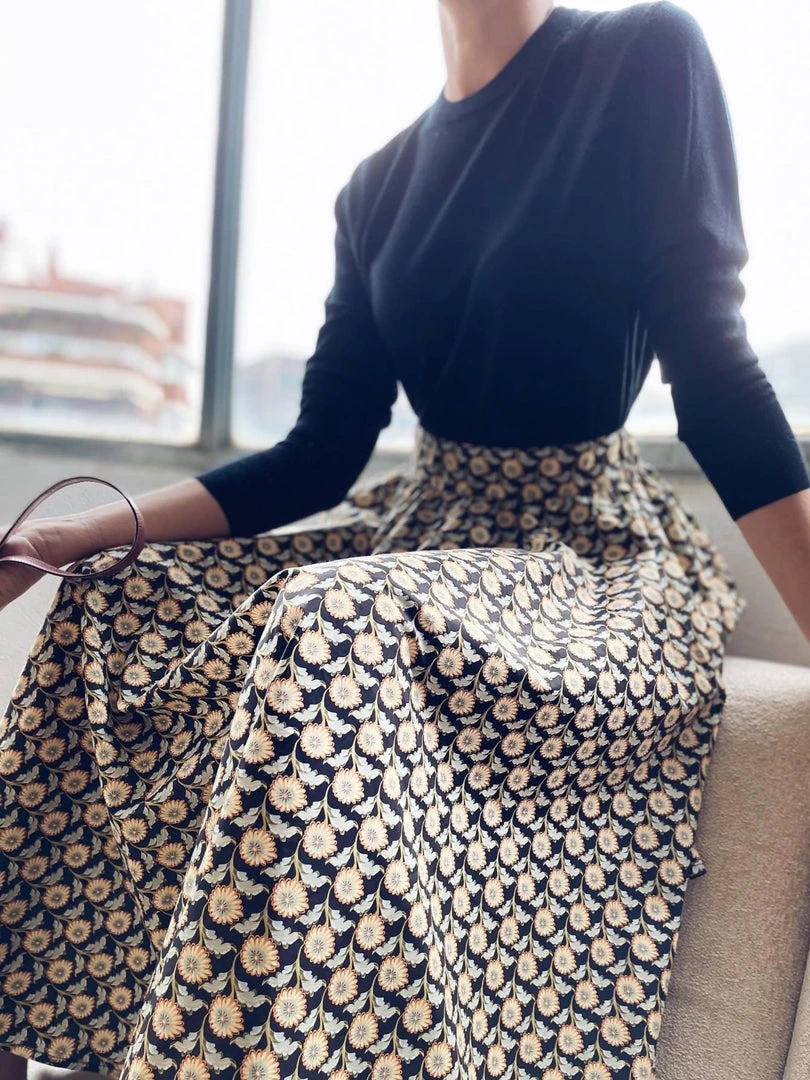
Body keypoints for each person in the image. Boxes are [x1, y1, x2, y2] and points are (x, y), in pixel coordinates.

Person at [1, 1, 809, 1077]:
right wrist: (65, 539)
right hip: (419, 527)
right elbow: (318, 455)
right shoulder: (376, 185)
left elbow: (717, 382)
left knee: (333, 616)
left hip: (583, 553)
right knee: (115, 596)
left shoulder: (643, 55)